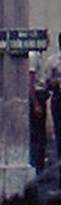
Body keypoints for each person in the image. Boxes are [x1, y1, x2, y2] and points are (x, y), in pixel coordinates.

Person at [41, 32, 61, 177]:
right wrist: (56, 82)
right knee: (59, 135)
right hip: (59, 99)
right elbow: (46, 82)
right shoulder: (53, 61)